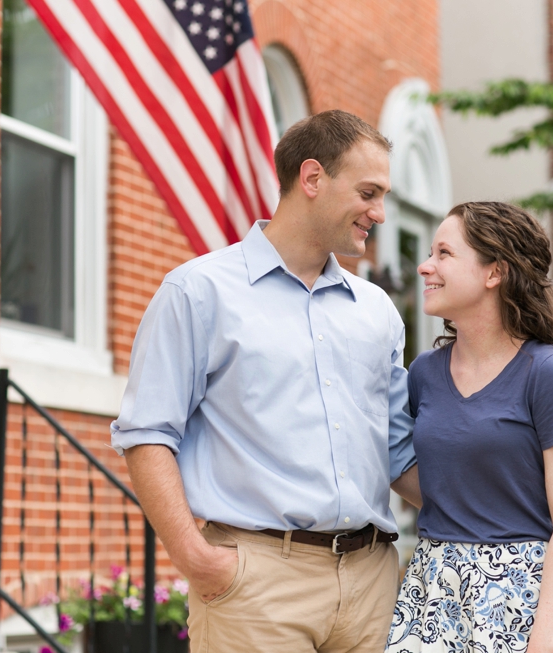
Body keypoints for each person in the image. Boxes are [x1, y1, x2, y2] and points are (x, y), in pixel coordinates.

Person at [111, 110, 422, 652]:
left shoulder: (377, 311)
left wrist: (519, 520)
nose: (380, 213)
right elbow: (147, 434)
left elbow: (398, 453)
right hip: (258, 587)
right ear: (312, 178)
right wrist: (196, 558)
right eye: (369, 192)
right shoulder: (198, 292)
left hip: (374, 583)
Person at [386, 201, 553, 653]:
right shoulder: (424, 373)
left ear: (494, 272)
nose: (425, 266)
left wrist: (541, 645)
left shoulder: (549, 372)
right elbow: (441, 482)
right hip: (431, 595)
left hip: (520, 601)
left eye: (444, 253)